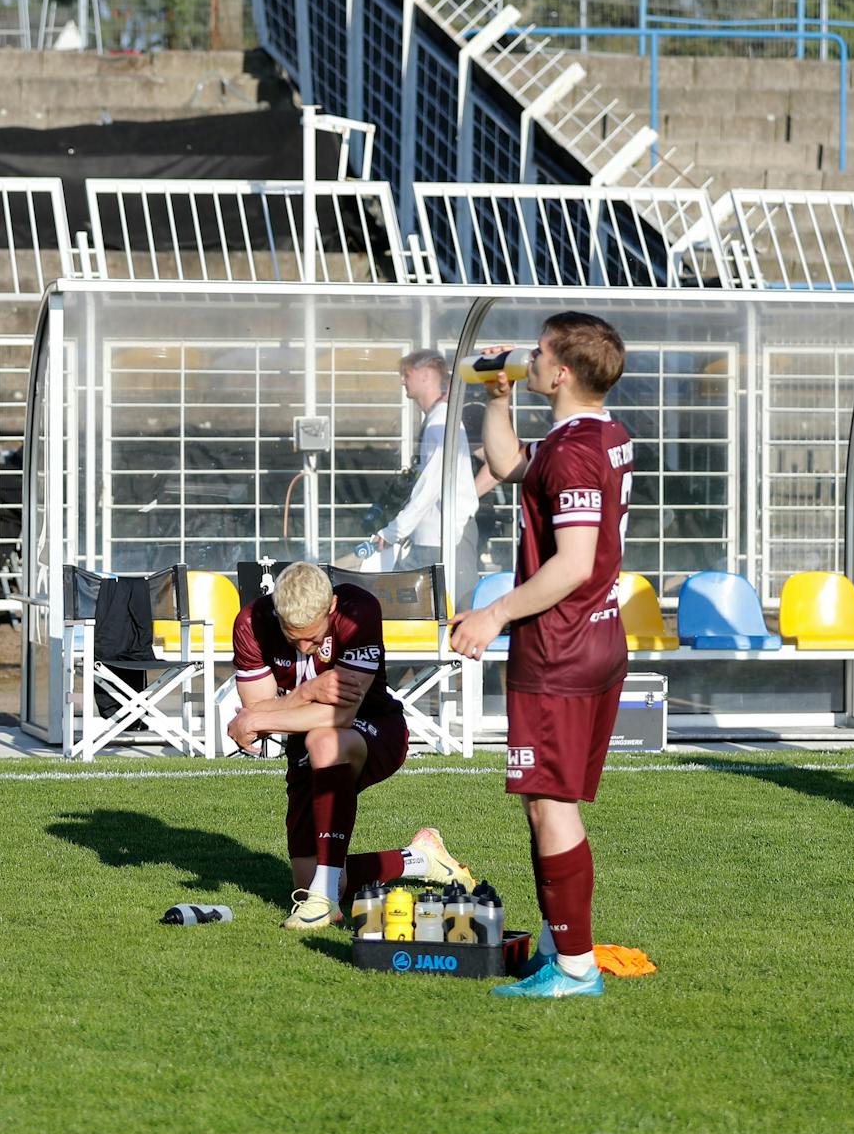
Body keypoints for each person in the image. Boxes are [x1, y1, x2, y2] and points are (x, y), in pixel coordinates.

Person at [450, 311, 634, 1001]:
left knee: (549, 804)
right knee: (549, 802)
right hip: (592, 640)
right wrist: (497, 400)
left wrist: (495, 612)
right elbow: (510, 466)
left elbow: (575, 562)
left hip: (561, 647)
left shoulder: (576, 450)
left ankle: (577, 966)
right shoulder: (594, 435)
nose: (528, 357)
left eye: (538, 351)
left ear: (560, 372)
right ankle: (565, 945)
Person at [227, 561, 474, 930]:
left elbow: (336, 717)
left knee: (325, 739)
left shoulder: (358, 609)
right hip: (304, 746)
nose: (306, 647)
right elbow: (255, 711)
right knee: (304, 881)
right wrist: (306, 693)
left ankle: (325, 901)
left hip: (376, 727)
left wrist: (263, 716)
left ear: (330, 608)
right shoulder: (251, 622)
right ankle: (421, 859)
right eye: (294, 639)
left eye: (313, 638)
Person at [358, 349, 490, 607]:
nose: (402, 381)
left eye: (406, 374)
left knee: (438, 608)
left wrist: (395, 530)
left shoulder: (441, 422)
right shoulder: (439, 420)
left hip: (443, 536)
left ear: (427, 375)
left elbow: (430, 485)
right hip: (437, 534)